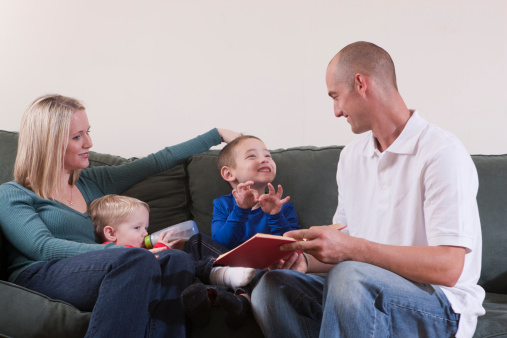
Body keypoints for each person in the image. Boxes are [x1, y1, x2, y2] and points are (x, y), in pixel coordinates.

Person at [250, 41, 485, 338]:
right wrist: (305, 259)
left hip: (440, 305)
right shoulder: (351, 157)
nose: (336, 111)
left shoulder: (441, 152)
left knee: (350, 277)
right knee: (273, 286)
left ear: (361, 84)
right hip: (361, 290)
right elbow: (344, 244)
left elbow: (448, 268)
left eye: (336, 97)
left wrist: (352, 250)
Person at [0, 94, 241, 337]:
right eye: (77, 136)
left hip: (98, 270)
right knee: (138, 259)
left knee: (176, 260)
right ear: (47, 143)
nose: (89, 143)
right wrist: (126, 252)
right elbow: (44, 247)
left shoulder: (91, 181)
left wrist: (217, 134)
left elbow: (156, 162)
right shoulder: (12, 194)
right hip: (39, 274)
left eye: (88, 132)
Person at [212, 135, 301, 250]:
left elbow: (294, 247)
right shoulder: (222, 204)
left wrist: (275, 216)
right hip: (232, 266)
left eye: (268, 155)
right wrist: (240, 211)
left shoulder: (283, 207)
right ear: (229, 174)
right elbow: (219, 245)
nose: (265, 159)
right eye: (252, 156)